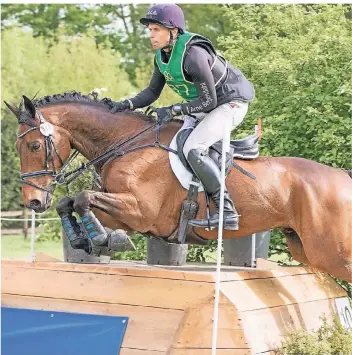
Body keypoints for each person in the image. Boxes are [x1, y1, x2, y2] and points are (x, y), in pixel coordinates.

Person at [111, 4, 255, 230]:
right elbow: (151, 92)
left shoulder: (194, 55)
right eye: (149, 29)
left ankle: (227, 211)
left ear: (174, 31)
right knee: (170, 143)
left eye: (156, 29)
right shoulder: (161, 56)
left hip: (230, 103)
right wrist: (125, 104)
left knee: (192, 148)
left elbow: (210, 102)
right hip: (205, 105)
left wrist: (174, 110)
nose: (151, 34)